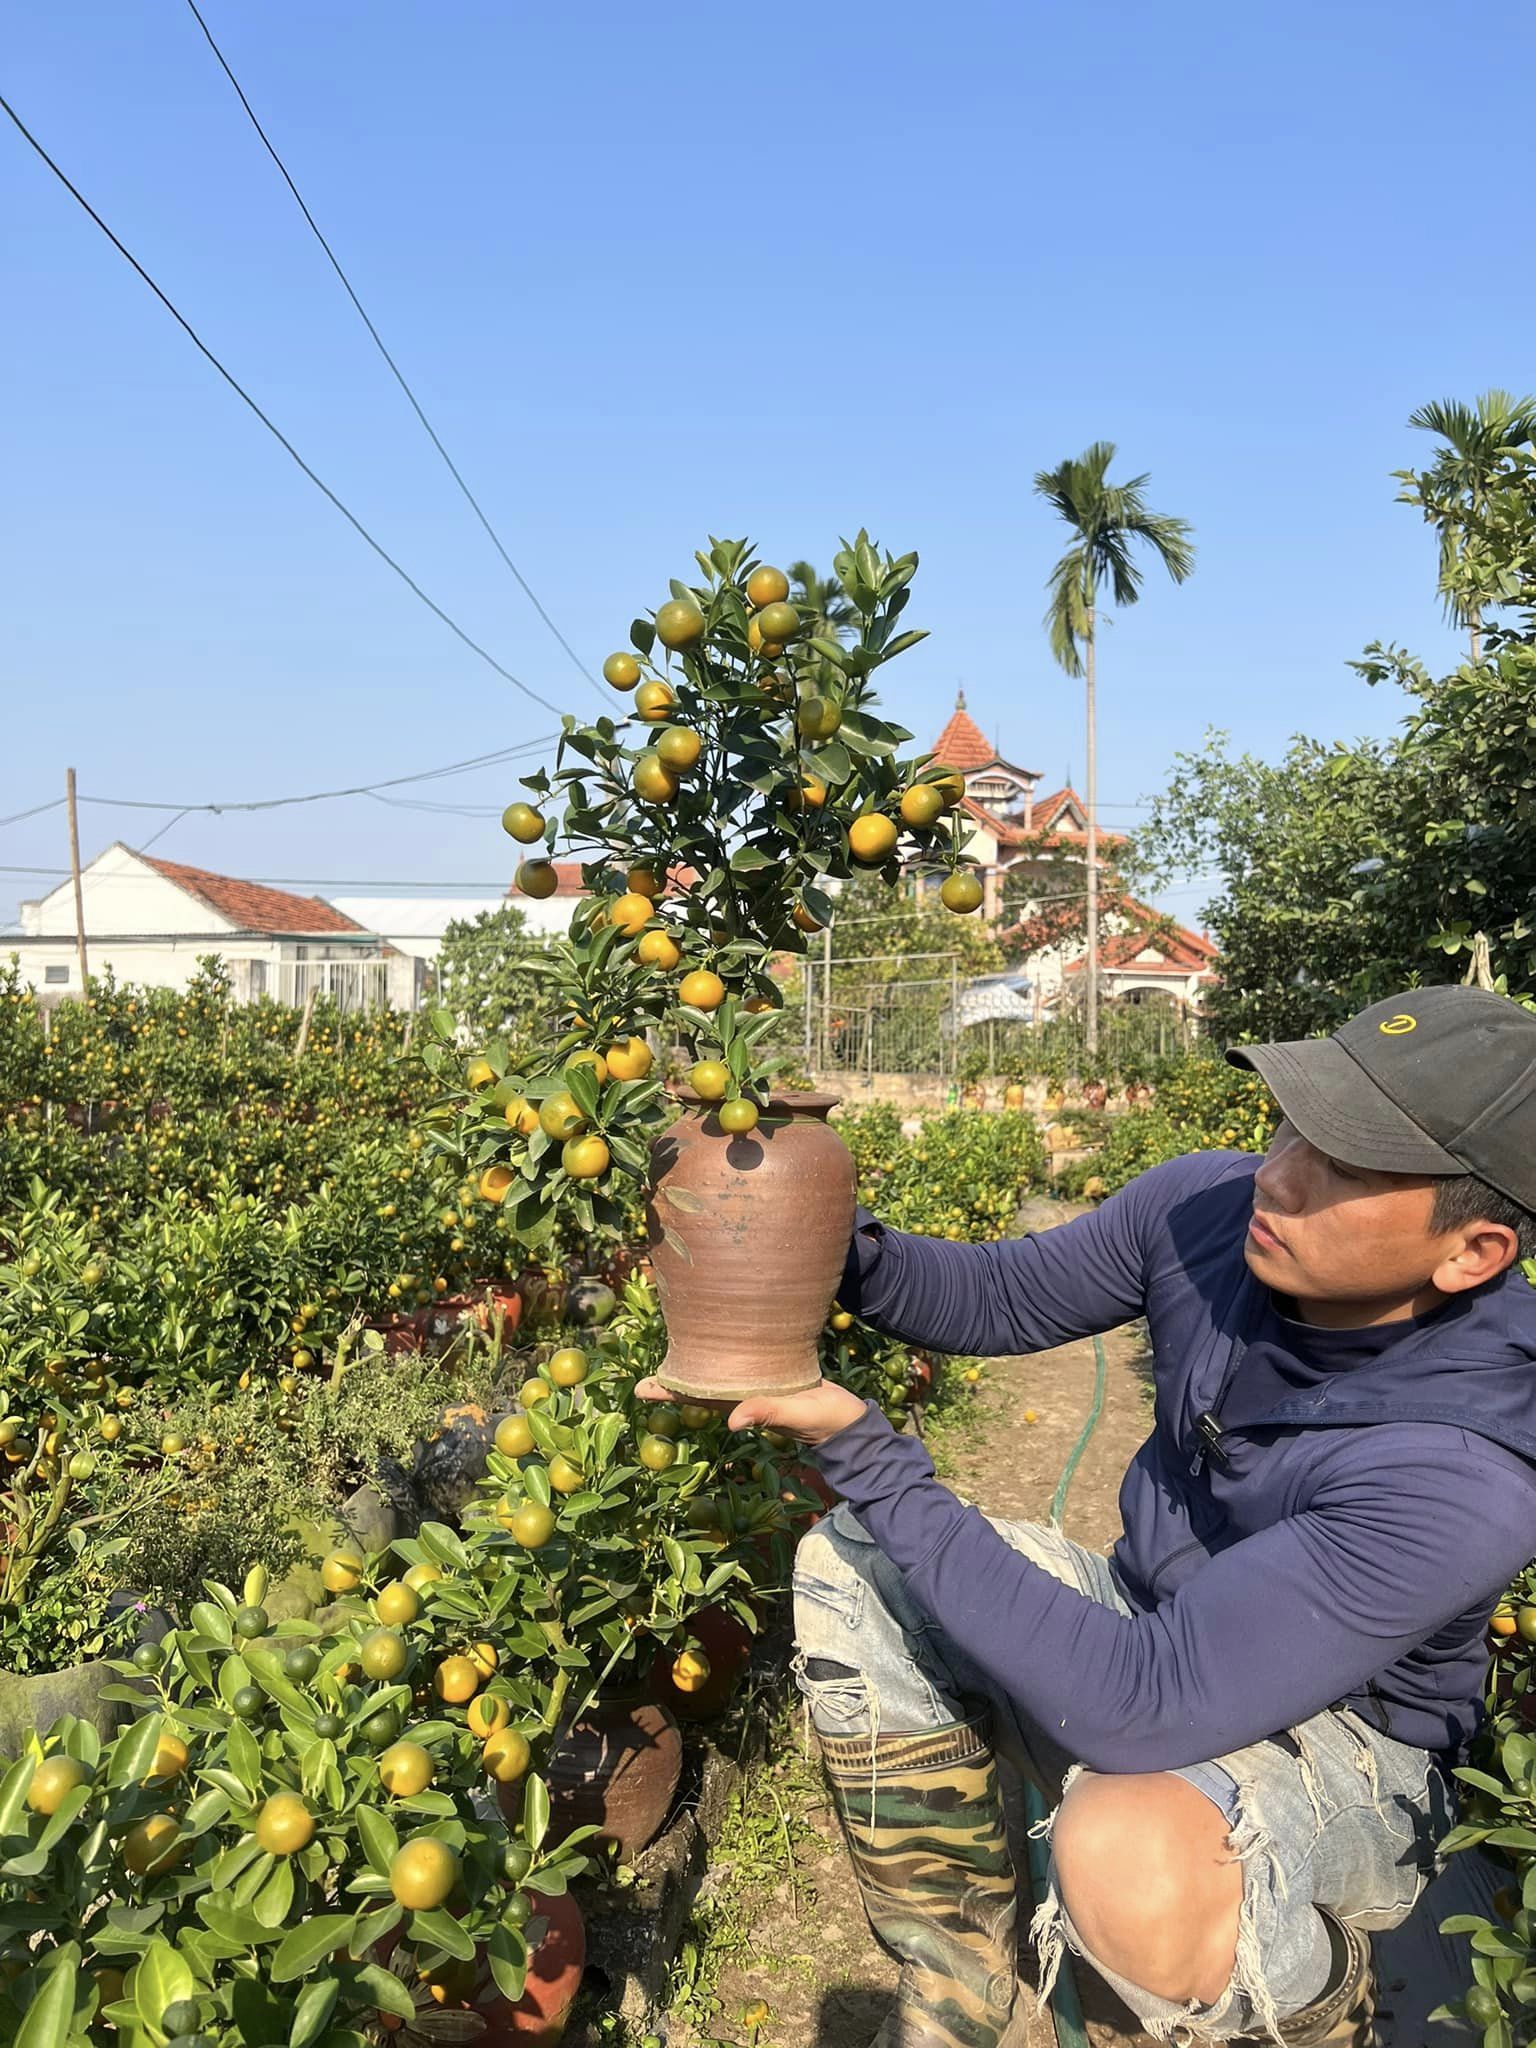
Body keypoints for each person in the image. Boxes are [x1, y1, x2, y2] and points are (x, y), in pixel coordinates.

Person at [644, 987, 1536, 2047]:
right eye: (1295, 1122)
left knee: (1127, 1845)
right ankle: (961, 1991)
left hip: (1350, 1744)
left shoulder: (1464, 1466)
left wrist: (872, 1453)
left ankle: (1329, 1993)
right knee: (858, 1558)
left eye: (1342, 1164)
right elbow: (995, 1296)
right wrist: (803, 1213)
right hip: (1157, 1629)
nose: (1281, 1171)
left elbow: (1139, 1701)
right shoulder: (1213, 1209)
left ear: (1471, 1252)